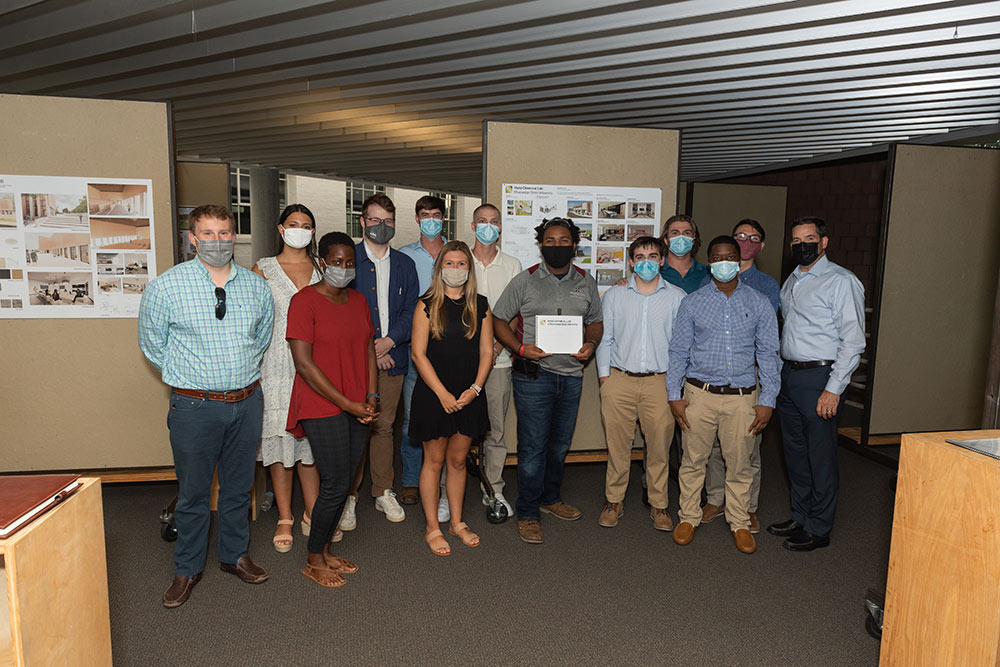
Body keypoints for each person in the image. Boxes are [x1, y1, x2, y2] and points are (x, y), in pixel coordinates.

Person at [138, 204, 274, 608]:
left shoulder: (255, 286)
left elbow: (262, 338)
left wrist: (235, 376)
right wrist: (191, 377)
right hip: (194, 407)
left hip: (247, 403)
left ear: (235, 236)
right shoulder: (166, 286)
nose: (219, 241)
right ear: (193, 238)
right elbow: (152, 343)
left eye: (226, 233)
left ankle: (234, 556)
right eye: (209, 234)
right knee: (195, 493)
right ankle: (186, 568)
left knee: (238, 488)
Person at [492, 217, 603, 544]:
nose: (557, 246)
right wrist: (519, 347)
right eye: (550, 240)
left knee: (558, 446)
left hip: (571, 376)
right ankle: (527, 511)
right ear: (541, 245)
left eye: (563, 240)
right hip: (533, 377)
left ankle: (550, 499)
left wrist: (591, 344)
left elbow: (595, 321)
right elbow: (499, 318)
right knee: (532, 448)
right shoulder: (524, 281)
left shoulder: (586, 281)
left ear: (574, 244)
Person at [666, 235, 779, 554]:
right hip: (698, 395)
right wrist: (675, 394)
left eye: (730, 256)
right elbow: (678, 352)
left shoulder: (758, 301)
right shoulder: (693, 302)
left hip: (743, 397)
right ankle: (688, 516)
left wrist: (768, 400)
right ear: (709, 262)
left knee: (740, 463)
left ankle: (740, 521)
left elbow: (769, 353)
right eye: (717, 258)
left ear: (738, 258)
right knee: (692, 461)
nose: (724, 263)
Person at [286, 232, 377, 587]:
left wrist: (372, 396)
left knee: (348, 481)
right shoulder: (303, 302)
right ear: (321, 261)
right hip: (321, 402)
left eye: (349, 263)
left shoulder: (358, 301)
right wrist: (348, 404)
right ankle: (313, 558)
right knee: (336, 481)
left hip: (358, 401)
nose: (343, 268)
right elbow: (304, 365)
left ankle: (324, 550)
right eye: (336, 262)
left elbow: (368, 348)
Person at [769, 216, 865, 551]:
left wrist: (833, 388)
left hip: (820, 378)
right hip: (790, 375)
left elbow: (853, 341)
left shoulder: (841, 281)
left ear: (824, 242)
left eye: (809, 238)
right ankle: (801, 515)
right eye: (795, 241)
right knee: (795, 452)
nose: (802, 245)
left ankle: (819, 527)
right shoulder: (792, 280)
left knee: (820, 455)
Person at [596, 236, 685, 531]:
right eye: (640, 256)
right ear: (631, 261)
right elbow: (605, 339)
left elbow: (681, 346)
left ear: (662, 260)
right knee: (617, 448)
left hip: (660, 383)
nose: (646, 261)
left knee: (659, 449)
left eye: (652, 256)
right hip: (619, 380)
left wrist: (675, 386)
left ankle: (659, 506)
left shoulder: (677, 297)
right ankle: (614, 501)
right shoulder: (615, 295)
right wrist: (605, 379)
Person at [409, 241, 493, 555]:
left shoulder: (481, 304)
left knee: (458, 461)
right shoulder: (425, 304)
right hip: (435, 393)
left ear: (469, 270)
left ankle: (457, 522)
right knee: (434, 461)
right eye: (450, 263)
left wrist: (475, 389)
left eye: (461, 264)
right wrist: (443, 393)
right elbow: (418, 354)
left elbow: (487, 352)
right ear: (439, 267)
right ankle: (433, 527)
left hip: (469, 393)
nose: (455, 269)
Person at [341, 194, 419, 530]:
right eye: (374, 220)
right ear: (361, 221)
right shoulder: (347, 259)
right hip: (355, 362)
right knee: (352, 430)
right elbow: (341, 309)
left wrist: (388, 343)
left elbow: (411, 310)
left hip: (393, 358)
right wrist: (370, 348)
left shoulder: (405, 264)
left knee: (384, 428)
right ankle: (348, 496)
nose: (381, 226)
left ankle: (382, 489)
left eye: (387, 221)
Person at [700, 218, 781, 531]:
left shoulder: (766, 287)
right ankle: (715, 499)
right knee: (714, 447)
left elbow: (765, 342)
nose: (746, 242)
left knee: (748, 447)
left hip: (751, 376)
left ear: (759, 247)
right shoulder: (708, 283)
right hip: (713, 377)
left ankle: (746, 507)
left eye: (753, 238)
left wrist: (769, 392)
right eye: (740, 236)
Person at [252, 204, 322, 553]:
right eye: (293, 224)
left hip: (314, 365)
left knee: (310, 442)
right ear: (280, 229)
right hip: (275, 365)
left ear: (313, 231)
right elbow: (251, 322)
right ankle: (284, 516)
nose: (299, 230)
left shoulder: (324, 268)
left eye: (306, 225)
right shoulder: (262, 270)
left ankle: (313, 511)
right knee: (279, 440)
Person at [470, 203, 522, 517]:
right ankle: (450, 490)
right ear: (472, 225)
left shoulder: (512, 264)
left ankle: (495, 489)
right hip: (463, 361)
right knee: (457, 429)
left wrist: (502, 344)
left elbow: (515, 311)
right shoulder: (460, 260)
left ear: (501, 227)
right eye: (482, 221)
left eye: (494, 222)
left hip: (500, 361)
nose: (488, 226)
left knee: (495, 430)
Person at [399, 195, 449, 518]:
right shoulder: (404, 257)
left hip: (450, 349)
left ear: (444, 219)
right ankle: (410, 479)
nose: (430, 219)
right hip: (415, 348)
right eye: (424, 215)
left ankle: (443, 483)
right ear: (417, 219)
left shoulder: (457, 254)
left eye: (436, 215)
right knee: (410, 417)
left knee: (447, 418)